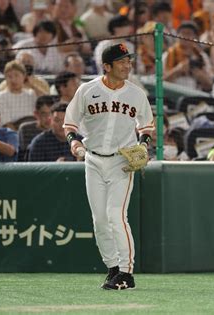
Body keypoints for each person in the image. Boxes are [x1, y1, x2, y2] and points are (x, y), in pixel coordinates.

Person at [63, 43, 154, 290]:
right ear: (107, 66)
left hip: (121, 162)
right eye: (123, 61)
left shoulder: (136, 94)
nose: (128, 65)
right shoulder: (87, 90)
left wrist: (143, 146)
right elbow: (69, 124)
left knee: (116, 215)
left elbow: (146, 126)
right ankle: (112, 268)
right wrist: (75, 144)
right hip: (92, 160)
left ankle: (126, 273)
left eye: (129, 60)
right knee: (100, 220)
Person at [0, 60, 37, 129]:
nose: (13, 80)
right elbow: (7, 125)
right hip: (13, 133)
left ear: (24, 76)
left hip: (33, 129)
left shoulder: (31, 94)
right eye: (9, 77)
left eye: (16, 75)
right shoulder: (1, 97)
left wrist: (32, 86)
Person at [17, 95, 54, 161]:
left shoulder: (60, 130)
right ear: (36, 114)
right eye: (44, 114)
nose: (48, 118)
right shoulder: (25, 129)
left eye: (51, 114)